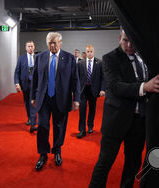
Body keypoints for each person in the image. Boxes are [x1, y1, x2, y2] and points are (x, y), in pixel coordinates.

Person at [89, 29, 159, 188]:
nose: (129, 44)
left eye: (133, 40)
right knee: (104, 164)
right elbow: (115, 86)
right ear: (120, 38)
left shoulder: (146, 58)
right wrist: (145, 87)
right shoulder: (109, 58)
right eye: (125, 40)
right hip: (115, 122)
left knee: (132, 166)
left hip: (139, 123)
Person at [31, 32, 80, 171]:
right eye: (50, 43)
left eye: (55, 42)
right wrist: (33, 97)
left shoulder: (69, 58)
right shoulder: (40, 57)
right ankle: (43, 153)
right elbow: (35, 78)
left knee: (59, 127)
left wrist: (76, 99)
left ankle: (57, 150)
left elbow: (75, 80)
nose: (52, 45)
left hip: (61, 98)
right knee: (42, 126)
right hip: (44, 98)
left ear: (60, 43)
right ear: (47, 43)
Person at [76, 44, 105, 138]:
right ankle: (82, 129)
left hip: (94, 90)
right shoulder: (80, 63)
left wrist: (102, 89)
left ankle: (90, 126)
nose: (89, 53)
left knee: (92, 109)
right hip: (83, 90)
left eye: (91, 51)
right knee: (82, 109)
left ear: (94, 52)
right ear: (85, 52)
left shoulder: (99, 63)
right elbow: (77, 78)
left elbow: (103, 77)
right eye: (88, 52)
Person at [14, 41, 37, 133]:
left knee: (33, 101)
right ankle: (30, 118)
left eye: (32, 46)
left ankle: (33, 123)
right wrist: (17, 83)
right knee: (27, 102)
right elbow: (17, 71)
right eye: (29, 46)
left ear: (34, 47)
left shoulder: (38, 57)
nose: (30, 48)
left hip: (35, 84)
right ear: (26, 47)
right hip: (25, 84)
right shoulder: (21, 58)